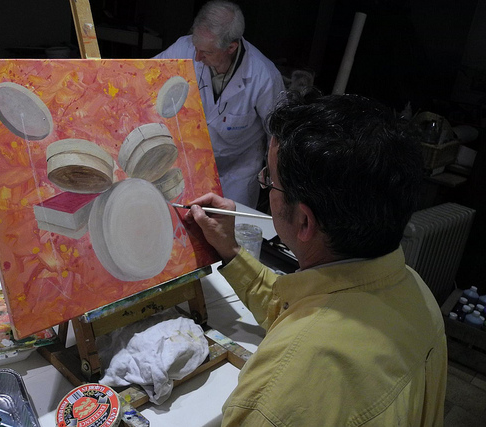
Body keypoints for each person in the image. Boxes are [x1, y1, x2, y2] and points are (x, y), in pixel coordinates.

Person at [184, 92, 447, 426]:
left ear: (305, 222)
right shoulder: (414, 291)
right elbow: (295, 307)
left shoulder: (278, 394)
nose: (265, 185)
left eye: (270, 180)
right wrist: (231, 251)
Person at [154, 0, 286, 209]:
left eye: (206, 52)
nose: (197, 57)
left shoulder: (264, 77)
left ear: (231, 48)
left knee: (229, 225)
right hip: (188, 161)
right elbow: (149, 79)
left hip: (236, 172)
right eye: (196, 47)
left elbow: (278, 135)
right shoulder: (184, 48)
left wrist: (275, 183)